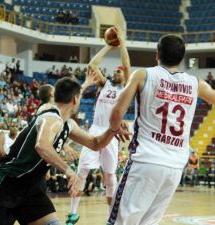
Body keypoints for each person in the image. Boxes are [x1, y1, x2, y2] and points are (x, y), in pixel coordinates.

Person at [107, 34, 215, 225]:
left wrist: (114, 128)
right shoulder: (196, 83)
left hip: (146, 160)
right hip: (175, 166)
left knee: (121, 221)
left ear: (157, 54)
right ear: (181, 58)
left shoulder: (143, 75)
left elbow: (116, 112)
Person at [0, 77, 130, 225]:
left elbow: (95, 143)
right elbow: (42, 146)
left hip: (30, 189)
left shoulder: (68, 124)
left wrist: (113, 129)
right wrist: (68, 170)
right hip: (5, 186)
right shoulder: (51, 117)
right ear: (75, 99)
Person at [67, 26, 130, 225]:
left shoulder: (128, 87)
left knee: (110, 176)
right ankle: (72, 213)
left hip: (111, 133)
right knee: (82, 171)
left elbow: (127, 67)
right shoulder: (105, 85)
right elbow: (92, 65)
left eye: (119, 71)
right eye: (115, 71)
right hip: (95, 129)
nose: (117, 72)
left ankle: (111, 217)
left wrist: (122, 44)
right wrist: (108, 46)